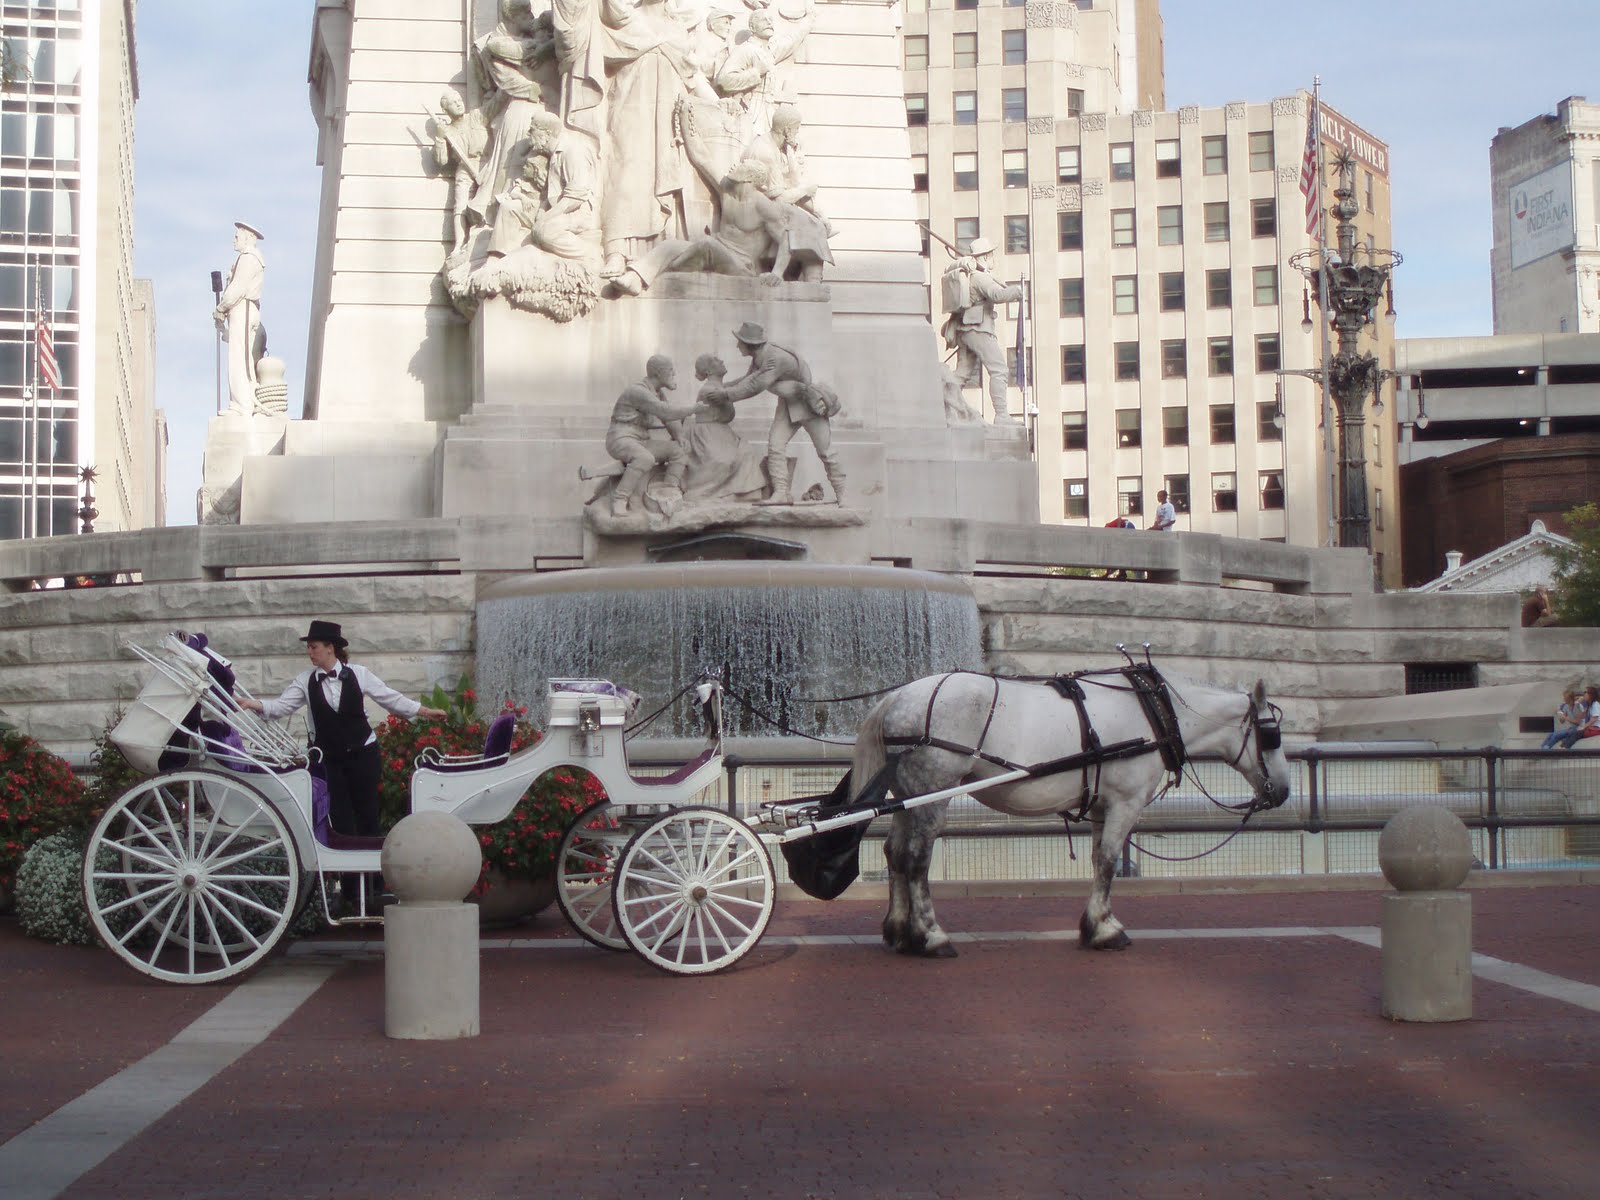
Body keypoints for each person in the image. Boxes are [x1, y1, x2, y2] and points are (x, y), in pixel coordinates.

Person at [239, 621, 446, 909]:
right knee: (342, 821)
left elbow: (389, 698)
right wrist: (254, 704)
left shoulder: (359, 675)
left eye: (313, 647)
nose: (310, 653)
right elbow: (282, 706)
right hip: (330, 759)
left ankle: (375, 890)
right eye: (309, 648)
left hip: (364, 754)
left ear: (330, 648)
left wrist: (423, 711)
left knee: (368, 817)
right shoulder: (305, 681)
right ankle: (350, 892)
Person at [701, 321, 844, 505]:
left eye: (739, 342)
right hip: (788, 404)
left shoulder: (774, 358)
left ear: (749, 343)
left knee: (826, 451)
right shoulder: (760, 357)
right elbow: (747, 379)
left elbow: (755, 386)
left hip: (809, 405)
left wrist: (724, 395)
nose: (737, 346)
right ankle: (781, 492)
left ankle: (842, 494)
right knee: (775, 445)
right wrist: (721, 388)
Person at [603, 355, 705, 518]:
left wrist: (679, 436)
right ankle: (620, 500)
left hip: (641, 441)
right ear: (658, 373)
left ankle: (669, 491)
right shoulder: (638, 392)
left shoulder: (658, 393)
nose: (675, 373)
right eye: (671, 371)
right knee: (645, 458)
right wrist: (693, 409)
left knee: (679, 450)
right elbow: (665, 411)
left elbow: (668, 418)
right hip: (620, 439)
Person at [939, 237, 1022, 421]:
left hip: (966, 331)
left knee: (962, 374)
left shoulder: (975, 276)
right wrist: (1017, 291)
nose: (994, 258)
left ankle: (944, 409)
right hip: (978, 330)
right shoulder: (980, 278)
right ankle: (1001, 415)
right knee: (999, 370)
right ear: (984, 257)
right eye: (991, 254)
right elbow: (996, 294)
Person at [213, 222, 266, 417]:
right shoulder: (248, 259)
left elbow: (237, 288)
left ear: (246, 238)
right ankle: (241, 402)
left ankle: (242, 404)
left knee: (240, 358)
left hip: (243, 308)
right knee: (239, 356)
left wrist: (221, 307)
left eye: (237, 237)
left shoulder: (248, 258)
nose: (234, 240)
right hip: (241, 309)